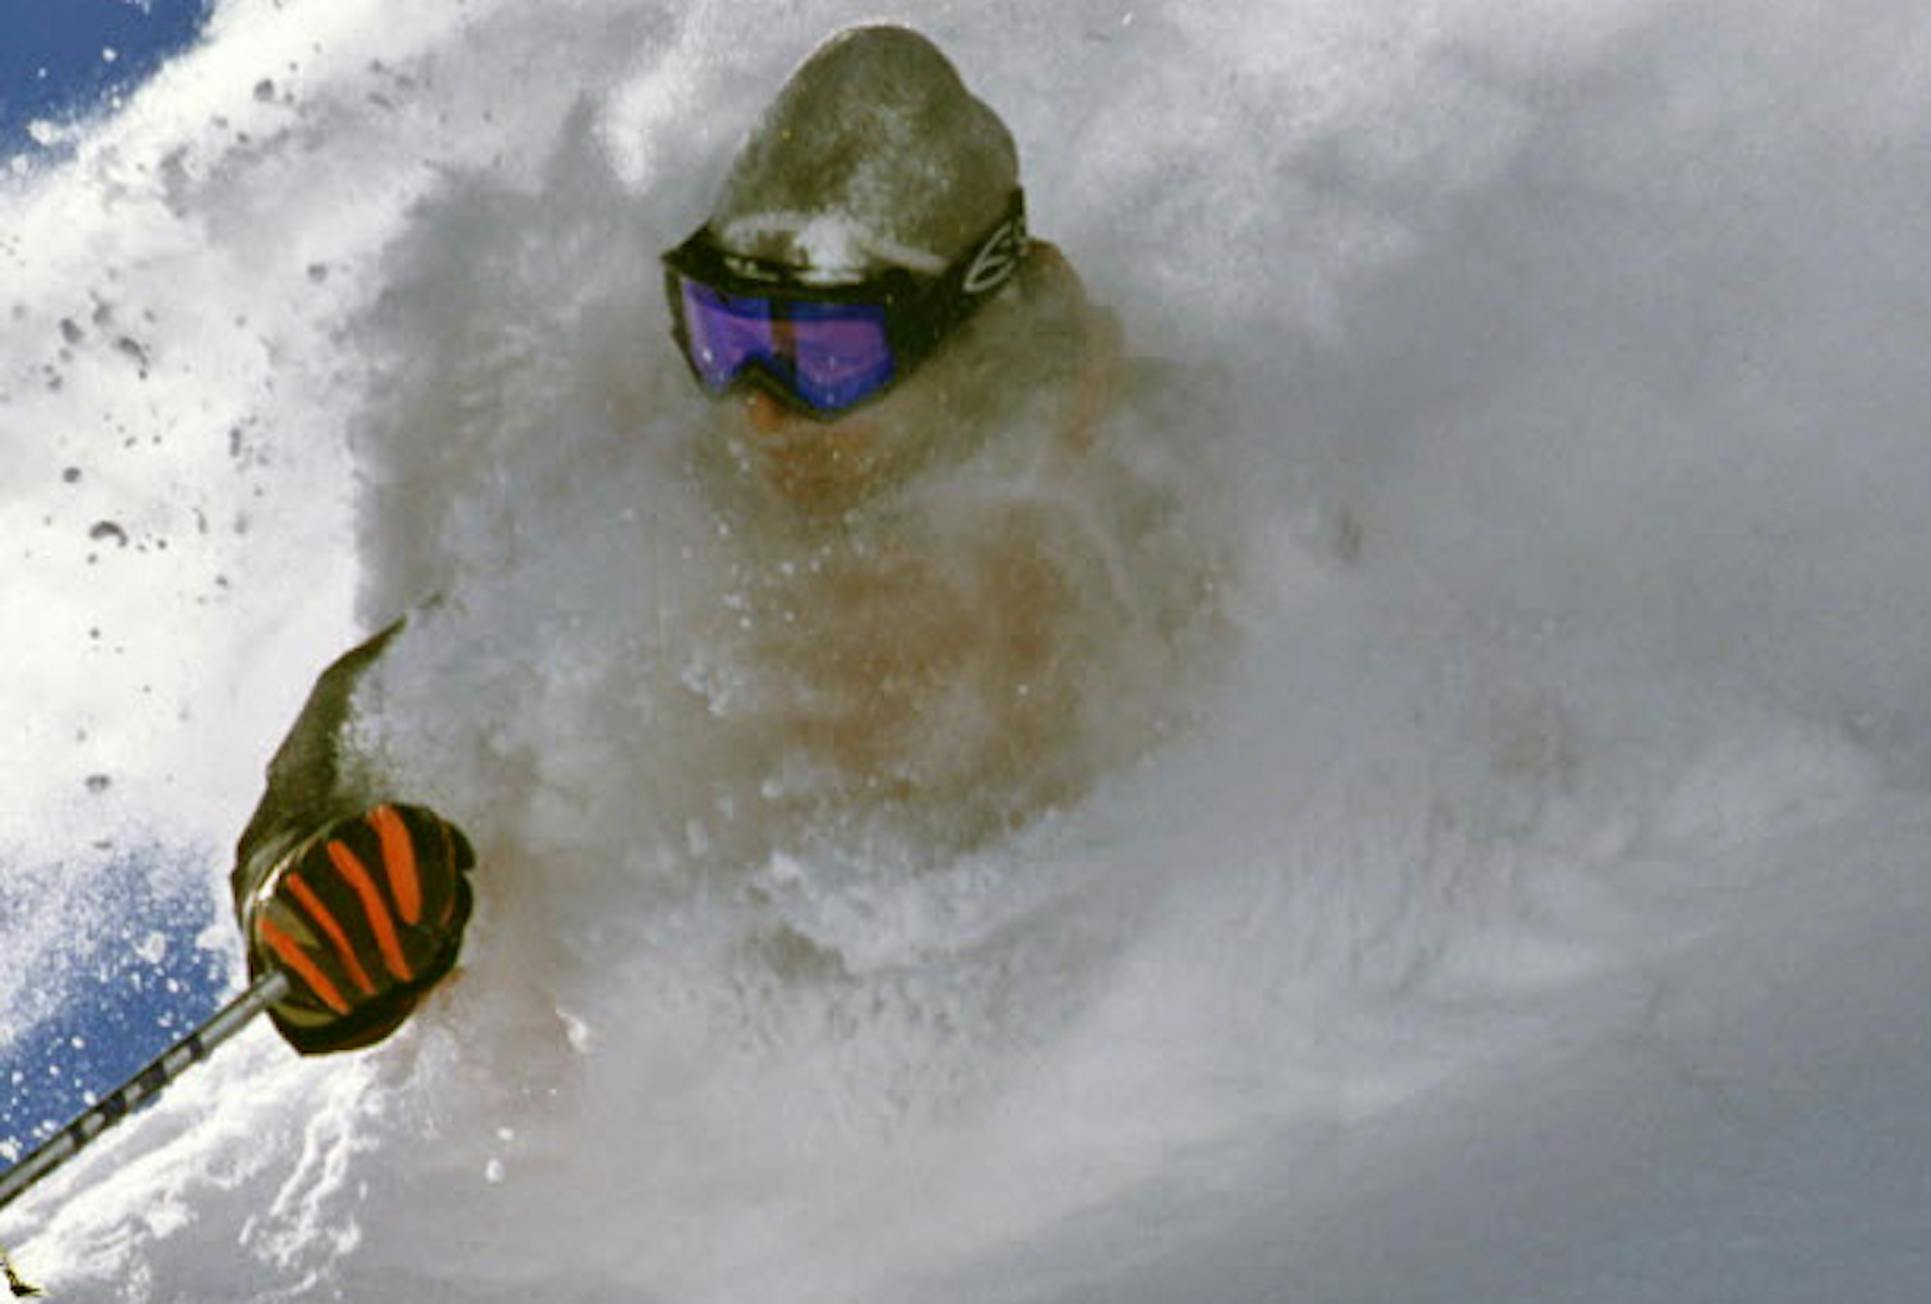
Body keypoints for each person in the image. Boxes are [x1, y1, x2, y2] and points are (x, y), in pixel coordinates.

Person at [229, 23, 1225, 1055]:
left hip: (1144, 1038)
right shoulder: (674, 494)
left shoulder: (1157, 472)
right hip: (759, 1066)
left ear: (962, 333)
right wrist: (303, 872)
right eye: (727, 335)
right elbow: (401, 689)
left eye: (823, 356)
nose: (759, 413)